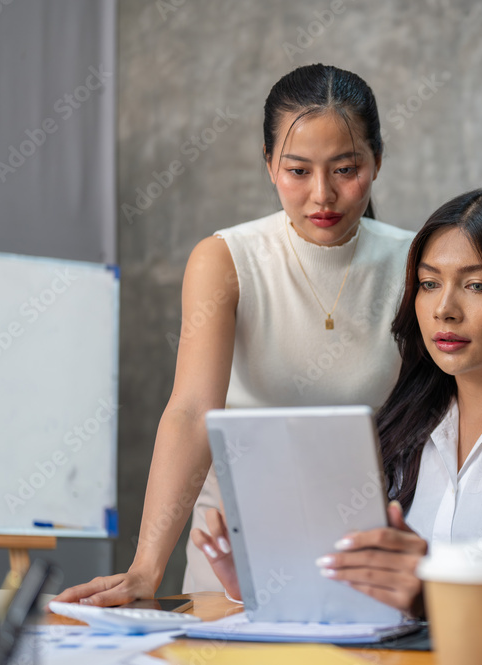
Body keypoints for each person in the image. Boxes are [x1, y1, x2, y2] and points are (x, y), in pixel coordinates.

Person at [53, 64, 415, 606]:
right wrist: (145, 568)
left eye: (345, 168)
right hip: (234, 550)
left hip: (368, 546)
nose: (323, 195)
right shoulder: (227, 259)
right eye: (297, 170)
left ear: (377, 162)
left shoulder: (417, 262)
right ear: (269, 165)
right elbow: (193, 409)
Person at [192, 187, 482, 615]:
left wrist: (441, 587)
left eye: (477, 285)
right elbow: (365, 588)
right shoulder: (399, 431)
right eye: (428, 283)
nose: (445, 308)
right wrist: (258, 580)